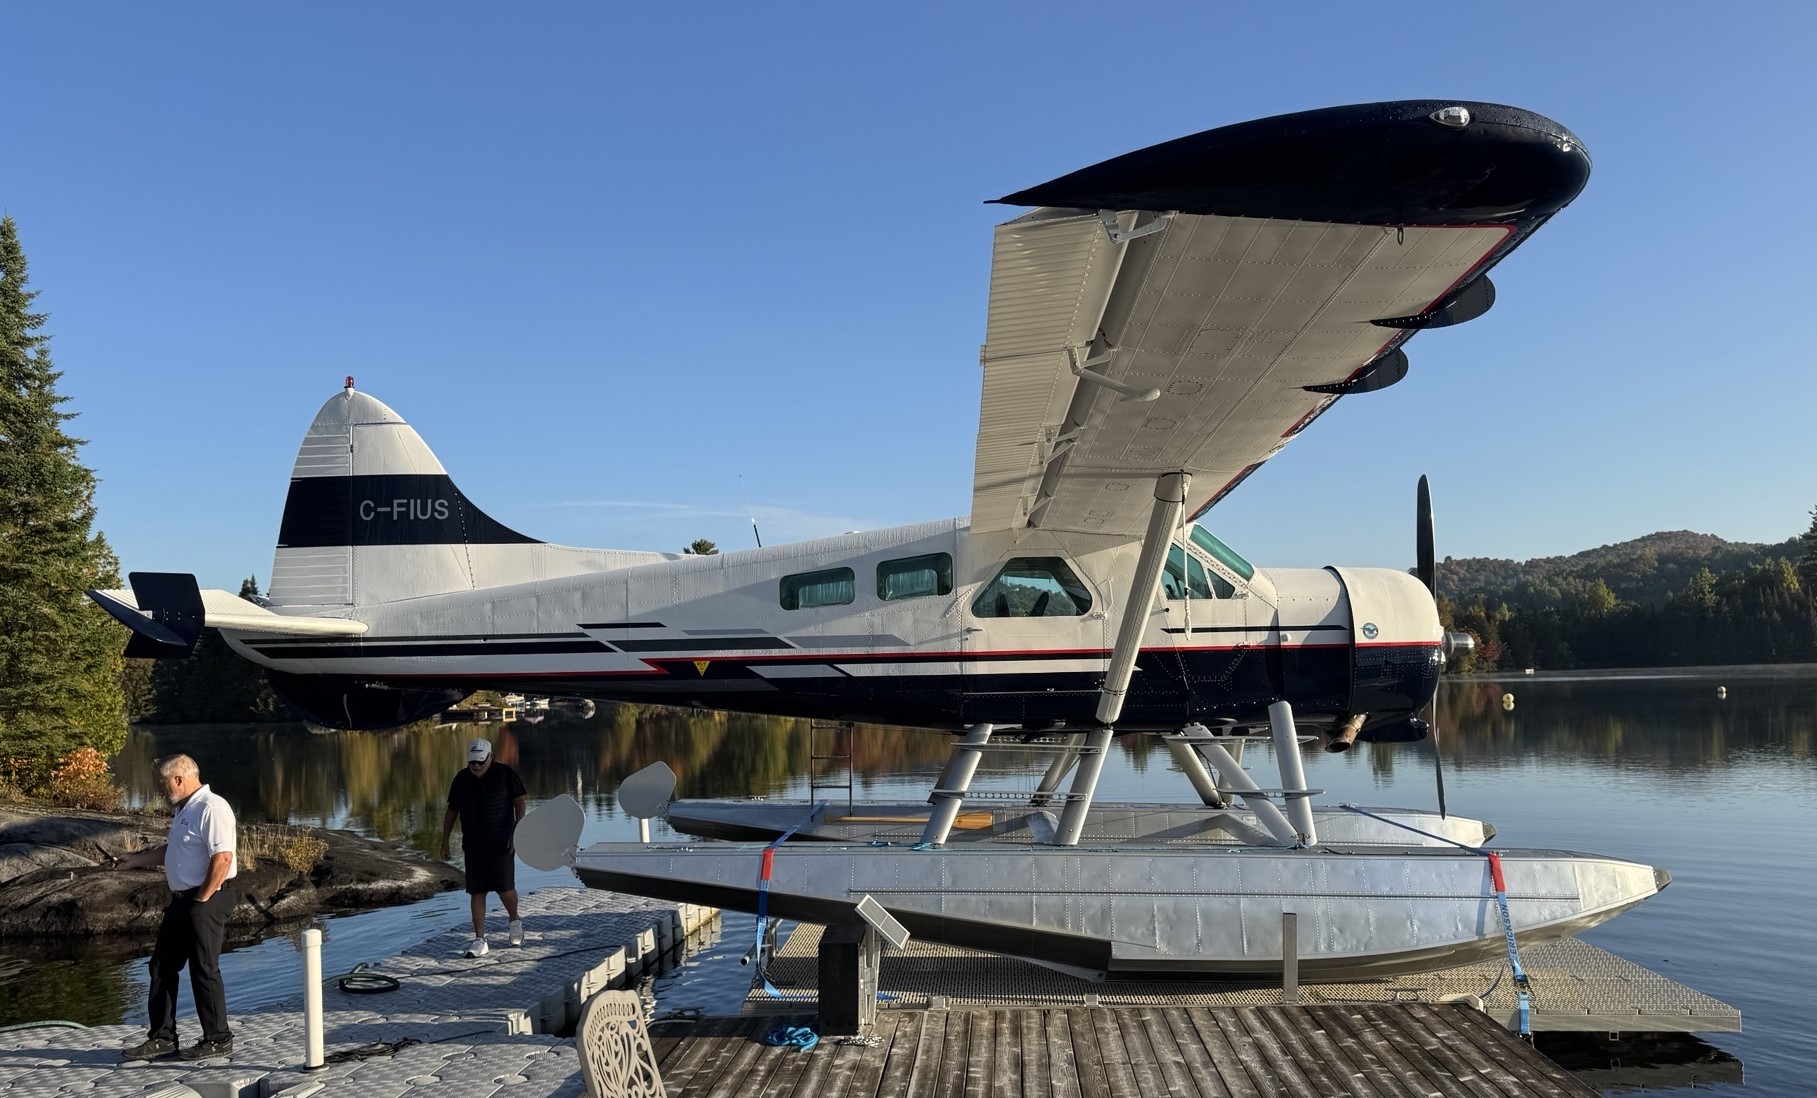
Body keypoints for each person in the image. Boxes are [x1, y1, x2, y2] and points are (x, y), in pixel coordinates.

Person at [115, 754, 238, 1062]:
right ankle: (162, 1038)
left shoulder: (212, 807)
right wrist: (133, 861)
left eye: (163, 782)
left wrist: (202, 900)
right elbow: (174, 851)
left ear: (179, 779)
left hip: (208, 897)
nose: (160, 788)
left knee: (203, 967)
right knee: (161, 965)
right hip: (183, 900)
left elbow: (223, 858)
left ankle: (218, 1038)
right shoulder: (186, 810)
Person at [441, 738, 527, 956]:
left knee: (504, 888)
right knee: (477, 891)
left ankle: (514, 921)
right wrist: (444, 841)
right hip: (473, 844)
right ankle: (480, 939)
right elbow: (452, 811)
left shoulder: (506, 774)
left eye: (480, 761)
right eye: (472, 763)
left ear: (490, 757)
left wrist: (517, 830)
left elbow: (520, 801)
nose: (476, 766)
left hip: (502, 843)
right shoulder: (461, 779)